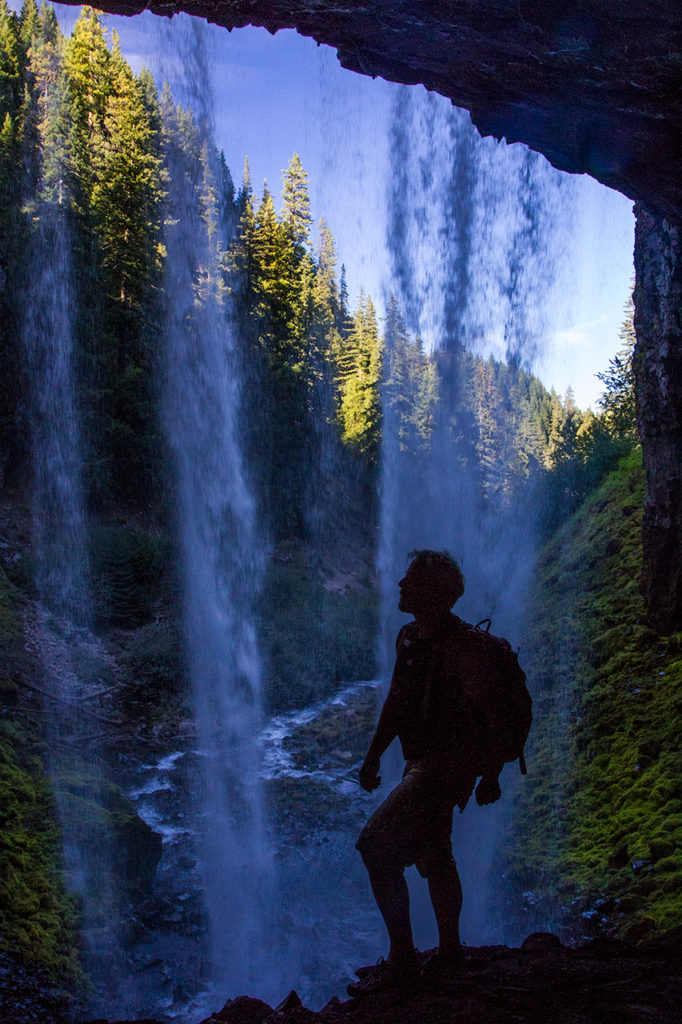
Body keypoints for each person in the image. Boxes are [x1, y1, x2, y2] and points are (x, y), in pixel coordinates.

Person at [349, 549, 502, 995]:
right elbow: (398, 700)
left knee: (375, 846)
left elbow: (491, 717)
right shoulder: (409, 638)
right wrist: (374, 755)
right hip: (422, 764)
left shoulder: (467, 648)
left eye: (411, 580)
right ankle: (449, 950)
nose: (400, 585)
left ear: (433, 592)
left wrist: (489, 775)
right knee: (436, 853)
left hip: (444, 769)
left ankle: (402, 959)